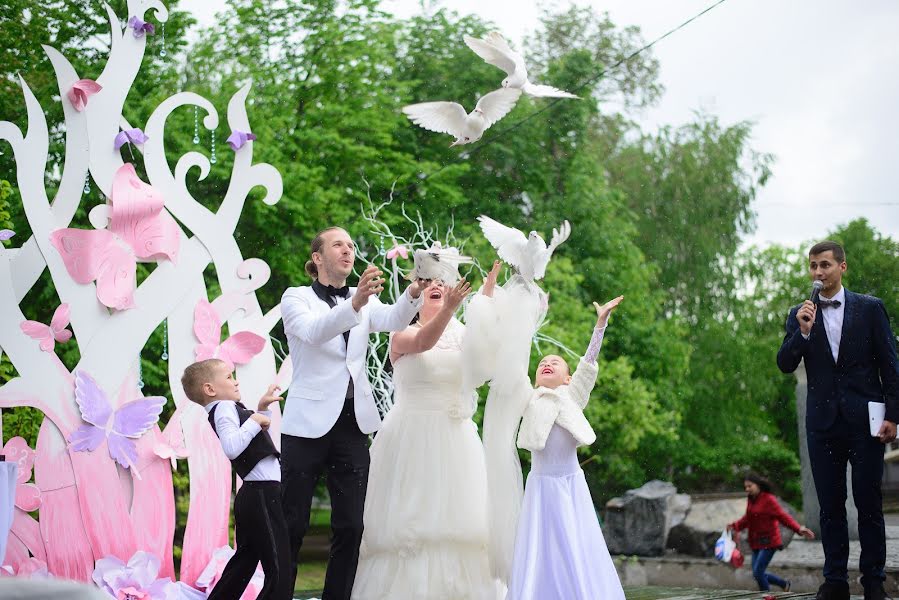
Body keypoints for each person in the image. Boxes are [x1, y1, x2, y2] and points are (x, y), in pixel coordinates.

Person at [279, 227, 424, 600]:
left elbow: (393, 319)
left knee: (351, 526)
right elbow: (313, 332)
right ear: (317, 258)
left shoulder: (362, 302)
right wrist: (356, 304)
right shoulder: (296, 297)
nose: (348, 250)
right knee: (292, 524)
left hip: (353, 423)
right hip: (305, 425)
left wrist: (413, 293)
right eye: (338, 244)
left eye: (351, 245)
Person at [351, 256, 498, 599]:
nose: (436, 285)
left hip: (456, 438)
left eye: (443, 280)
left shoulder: (465, 336)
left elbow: (486, 362)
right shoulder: (402, 332)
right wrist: (450, 309)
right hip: (410, 439)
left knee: (460, 524)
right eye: (429, 280)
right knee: (410, 522)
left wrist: (489, 300)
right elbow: (423, 345)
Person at [777, 240, 899, 600]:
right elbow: (785, 364)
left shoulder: (870, 309)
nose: (818, 272)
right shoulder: (799, 314)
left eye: (825, 265)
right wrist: (801, 332)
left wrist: (894, 416)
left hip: (866, 422)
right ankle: (834, 581)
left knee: (868, 503)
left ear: (842, 267)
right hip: (823, 425)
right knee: (831, 506)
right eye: (813, 266)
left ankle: (874, 580)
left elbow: (891, 365)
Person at [506, 296, 626, 600]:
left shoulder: (573, 395)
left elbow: (588, 363)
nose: (546, 364)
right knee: (539, 542)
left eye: (554, 362)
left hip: (570, 482)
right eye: (542, 363)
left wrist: (600, 323)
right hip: (540, 485)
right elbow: (512, 367)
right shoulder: (529, 399)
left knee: (575, 539)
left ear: (567, 376)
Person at [182, 358, 292, 600]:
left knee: (244, 564)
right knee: (280, 566)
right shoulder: (223, 408)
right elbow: (232, 446)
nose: (236, 381)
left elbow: (253, 438)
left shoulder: (228, 408)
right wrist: (254, 420)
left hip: (255, 494)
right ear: (210, 389)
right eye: (229, 376)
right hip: (261, 494)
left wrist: (260, 410)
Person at [728, 472, 816, 593]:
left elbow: (783, 516)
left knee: (758, 572)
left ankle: (766, 596)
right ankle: (784, 584)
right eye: (745, 487)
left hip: (769, 541)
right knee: (757, 573)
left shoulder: (769, 499)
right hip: (755, 542)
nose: (747, 489)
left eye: (749, 486)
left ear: (758, 485)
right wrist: (734, 526)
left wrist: (798, 528)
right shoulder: (751, 499)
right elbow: (748, 518)